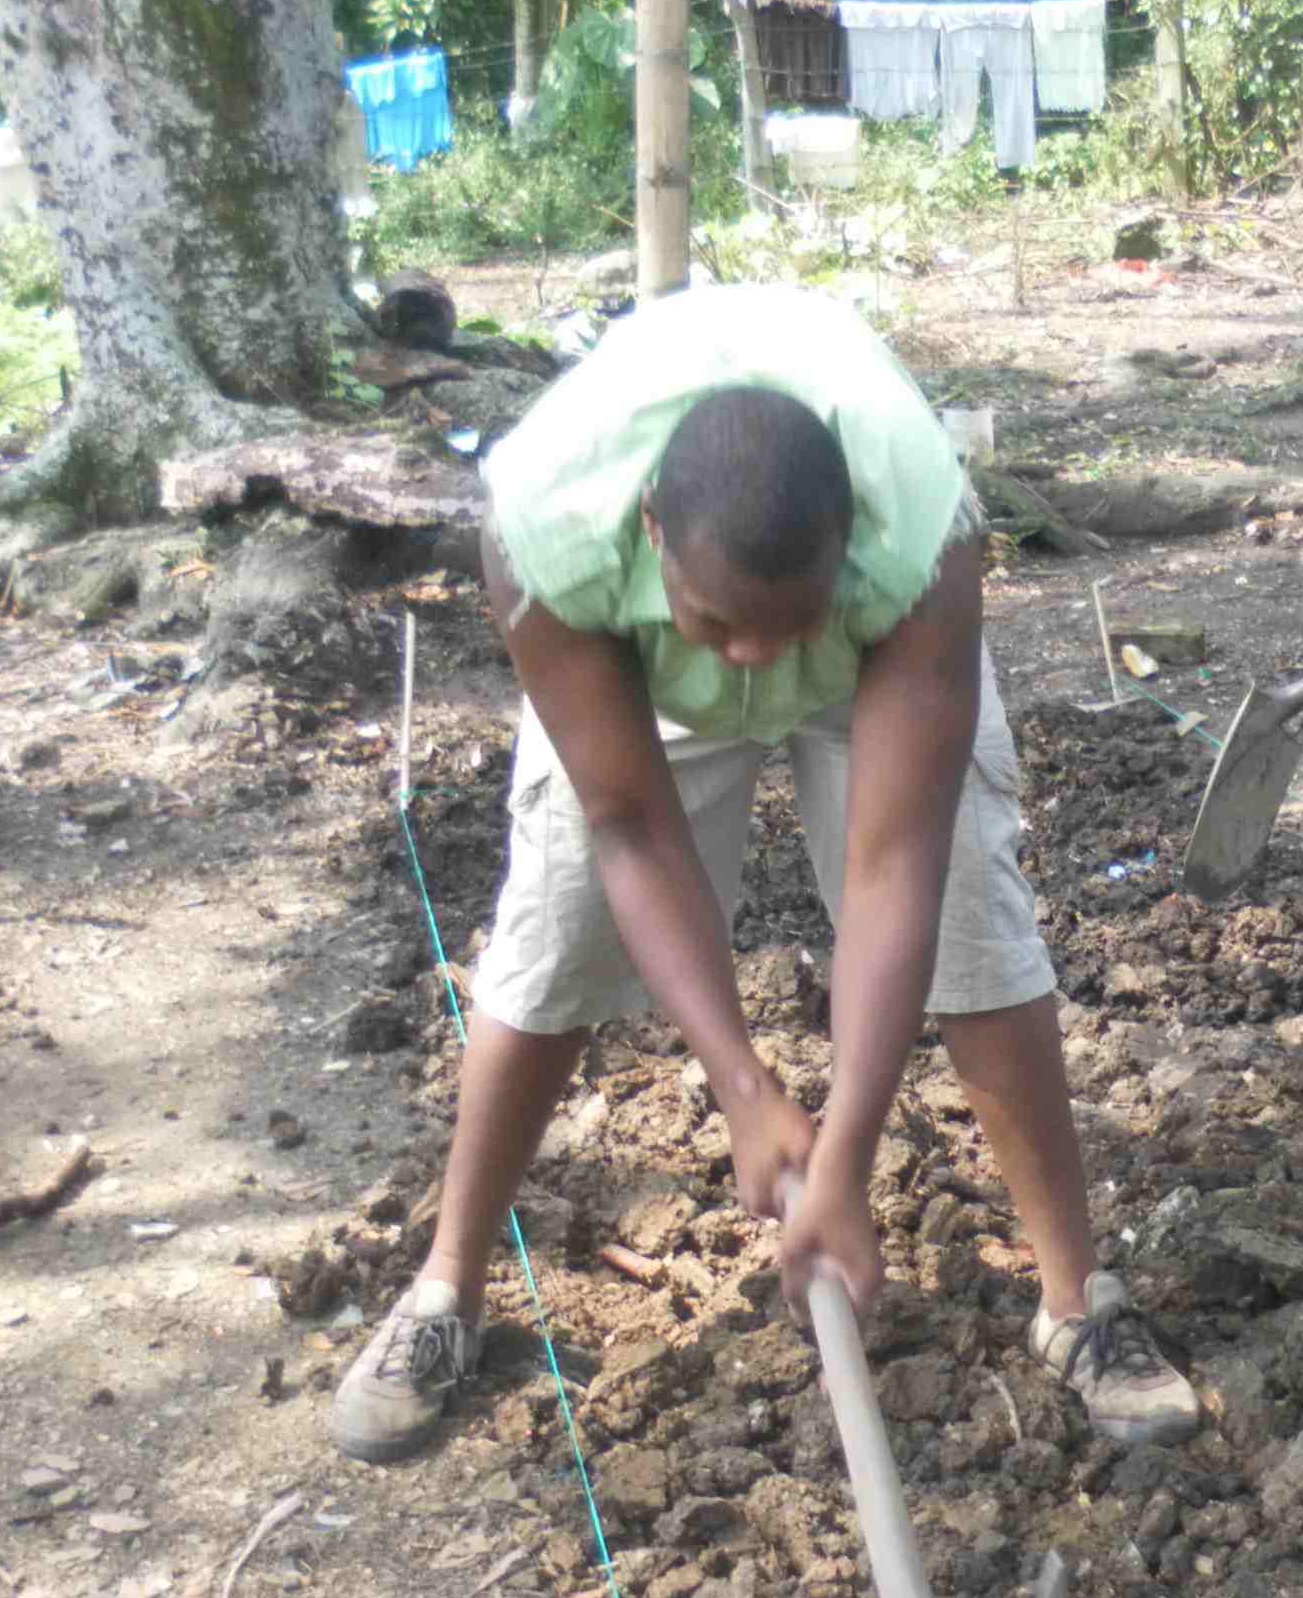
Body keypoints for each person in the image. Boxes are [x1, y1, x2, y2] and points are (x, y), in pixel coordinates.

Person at [327, 281, 1200, 1466]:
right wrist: (743, 1089)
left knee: (971, 935)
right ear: (650, 532)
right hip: (628, 643)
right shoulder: (545, 531)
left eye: (779, 630)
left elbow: (896, 866)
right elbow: (629, 823)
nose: (749, 660)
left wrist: (844, 1153)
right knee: (557, 939)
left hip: (865, 649)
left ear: (843, 563)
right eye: (719, 623)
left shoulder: (918, 540)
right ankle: (445, 1289)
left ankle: (1076, 1300)